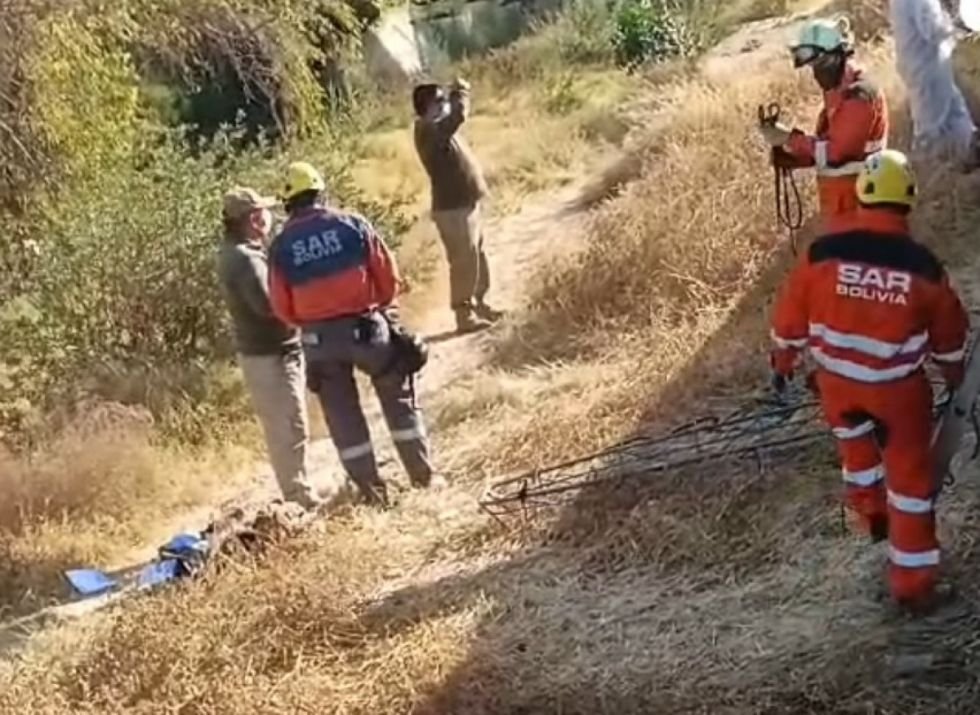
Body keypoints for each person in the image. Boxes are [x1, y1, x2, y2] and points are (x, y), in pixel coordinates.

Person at [769, 149, 968, 614]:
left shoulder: (821, 251)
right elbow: (950, 339)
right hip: (896, 393)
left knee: (857, 455)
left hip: (836, 385)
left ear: (861, 194)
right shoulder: (922, 266)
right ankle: (914, 586)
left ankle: (871, 516)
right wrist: (957, 382)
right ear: (908, 200)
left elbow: (789, 316)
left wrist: (782, 363)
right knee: (911, 486)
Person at [267, 161, 439, 508]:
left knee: (343, 418)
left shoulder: (281, 246)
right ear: (321, 191)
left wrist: (313, 321)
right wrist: (378, 307)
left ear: (288, 202)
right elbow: (388, 278)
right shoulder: (352, 224)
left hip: (319, 342)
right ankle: (423, 478)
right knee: (398, 399)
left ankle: (373, 494)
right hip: (366, 328)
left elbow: (281, 308)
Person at [216, 187, 323, 511]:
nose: (269, 216)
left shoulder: (239, 251)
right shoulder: (245, 259)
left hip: (270, 351)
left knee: (291, 423)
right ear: (252, 219)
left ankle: (299, 493)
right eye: (262, 211)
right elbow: (269, 306)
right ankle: (297, 497)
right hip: (269, 355)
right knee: (287, 426)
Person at [758, 17, 889, 233]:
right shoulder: (838, 91)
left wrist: (790, 139)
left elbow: (837, 153)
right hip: (841, 205)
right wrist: (794, 157)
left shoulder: (860, 94)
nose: (816, 73)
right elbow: (826, 146)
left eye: (820, 65)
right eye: (812, 67)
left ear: (837, 56)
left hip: (861, 205)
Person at [412, 77, 503, 334]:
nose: (445, 105)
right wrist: (461, 91)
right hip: (452, 210)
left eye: (444, 99)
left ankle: (479, 304)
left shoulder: (436, 127)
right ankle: (464, 315)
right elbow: (459, 115)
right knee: (463, 261)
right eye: (439, 100)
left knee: (476, 255)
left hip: (464, 204)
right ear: (426, 106)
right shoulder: (428, 130)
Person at [890, 0, 978, 165]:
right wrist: (958, 21)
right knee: (930, 130)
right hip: (926, 70)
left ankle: (969, 156)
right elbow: (932, 29)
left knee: (956, 115)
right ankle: (931, 175)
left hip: (931, 65)